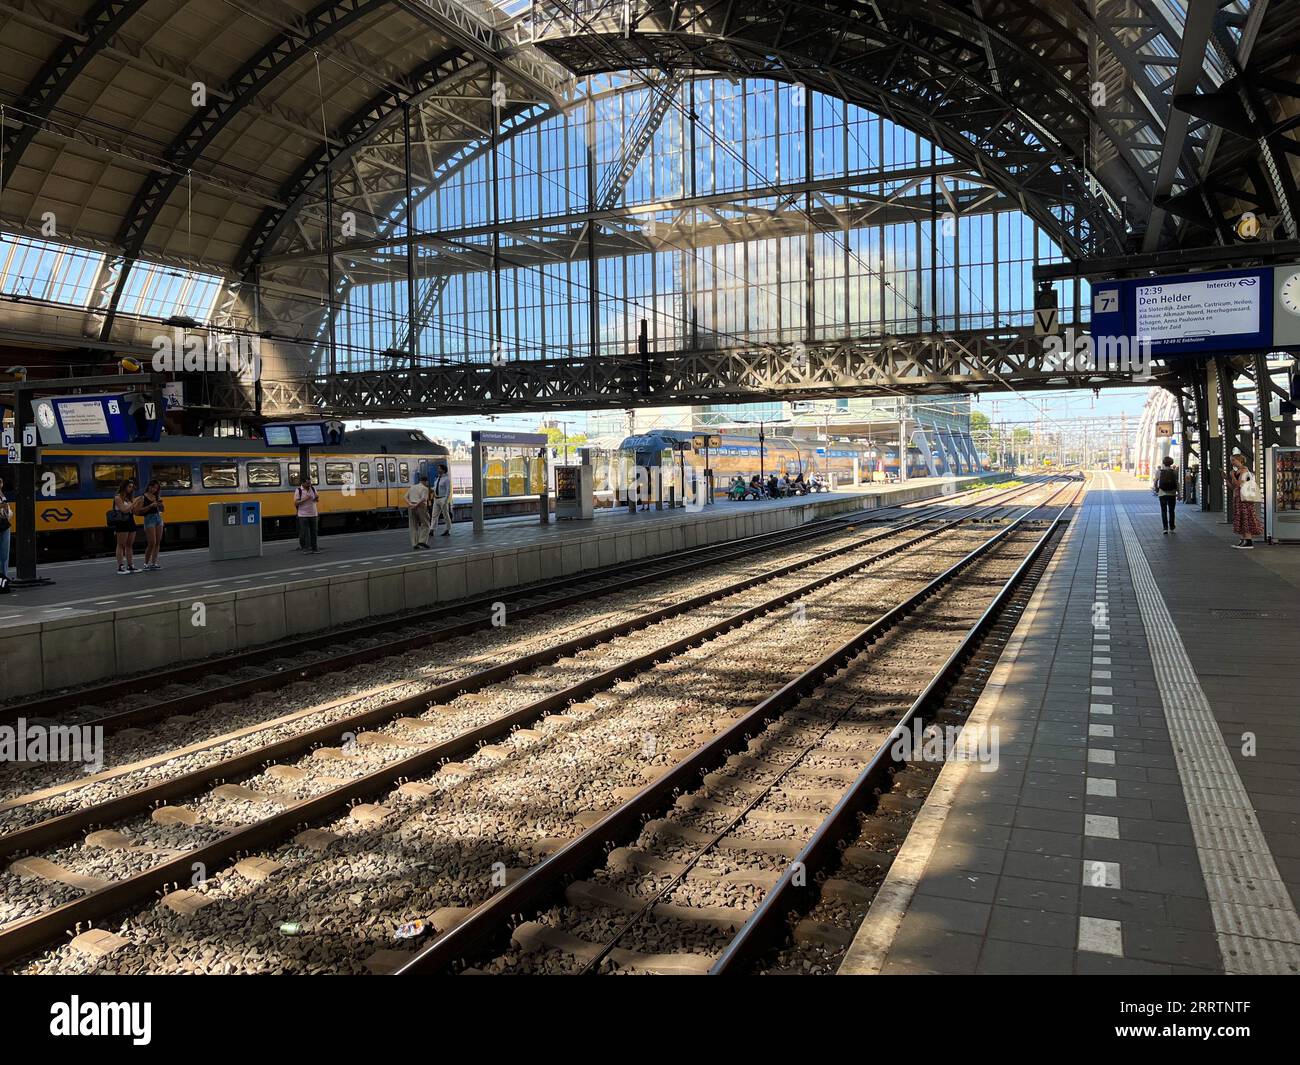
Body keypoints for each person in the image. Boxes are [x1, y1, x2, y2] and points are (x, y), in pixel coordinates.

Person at [1229, 453, 1264, 549]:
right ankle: (1244, 539)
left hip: (1244, 499)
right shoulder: (1238, 471)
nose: (1232, 462)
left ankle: (1248, 541)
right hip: (1238, 497)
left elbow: (1239, 484)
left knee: (1246, 516)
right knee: (1240, 516)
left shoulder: (1244, 471)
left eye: (1233, 460)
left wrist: (1232, 475)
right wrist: (1226, 479)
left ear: (1240, 460)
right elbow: (1233, 487)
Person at [112, 477, 139, 574]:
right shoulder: (118, 497)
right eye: (129, 487)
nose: (131, 489)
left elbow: (133, 511)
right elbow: (124, 509)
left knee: (129, 544)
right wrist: (134, 502)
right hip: (122, 521)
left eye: (132, 487)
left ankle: (131, 565)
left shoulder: (129, 498)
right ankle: (120, 566)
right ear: (124, 487)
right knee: (121, 544)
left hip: (130, 520)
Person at [137, 479, 166, 569]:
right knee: (152, 542)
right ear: (149, 486)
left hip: (158, 518)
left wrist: (160, 505)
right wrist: (150, 506)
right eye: (153, 487)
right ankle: (146, 563)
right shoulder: (143, 497)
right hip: (149, 519)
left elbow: (162, 510)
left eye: (156, 488)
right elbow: (139, 510)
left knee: (157, 542)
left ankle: (154, 563)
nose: (154, 490)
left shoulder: (157, 496)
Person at [1151, 456, 1178, 534]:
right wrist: (1179, 494)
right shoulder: (1174, 472)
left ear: (1163, 463)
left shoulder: (1159, 471)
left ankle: (1165, 528)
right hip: (1172, 494)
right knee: (1171, 511)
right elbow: (1177, 483)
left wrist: (1156, 489)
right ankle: (1172, 528)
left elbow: (1155, 481)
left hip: (1162, 494)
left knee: (1163, 511)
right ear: (1171, 463)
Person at [294, 475, 320, 552]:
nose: (309, 485)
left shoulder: (313, 489)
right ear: (302, 483)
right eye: (307, 483)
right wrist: (306, 498)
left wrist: (316, 498)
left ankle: (315, 548)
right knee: (304, 533)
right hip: (303, 515)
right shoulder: (298, 491)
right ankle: (305, 548)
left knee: (314, 532)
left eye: (310, 483)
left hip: (313, 514)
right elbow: (296, 503)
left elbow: (316, 500)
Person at [405, 473, 431, 549]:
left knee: (413, 525)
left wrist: (410, 504)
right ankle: (422, 541)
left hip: (411, 506)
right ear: (425, 481)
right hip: (420, 506)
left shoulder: (412, 487)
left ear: (420, 481)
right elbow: (423, 499)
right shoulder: (425, 488)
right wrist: (416, 505)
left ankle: (414, 544)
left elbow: (405, 497)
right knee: (426, 524)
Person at [430, 463, 453, 538]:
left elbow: (448, 490)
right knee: (434, 515)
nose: (438, 470)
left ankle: (448, 530)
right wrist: (432, 489)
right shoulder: (437, 478)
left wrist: (445, 500)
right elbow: (436, 487)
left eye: (439, 468)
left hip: (443, 499)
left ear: (443, 470)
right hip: (436, 499)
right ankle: (432, 530)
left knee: (446, 515)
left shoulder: (446, 479)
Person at [0, 475, 11, 584]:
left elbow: (8, 513)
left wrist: (6, 508)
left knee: (4, 555)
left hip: (4, 526)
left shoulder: (2, 496)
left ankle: (3, 579)